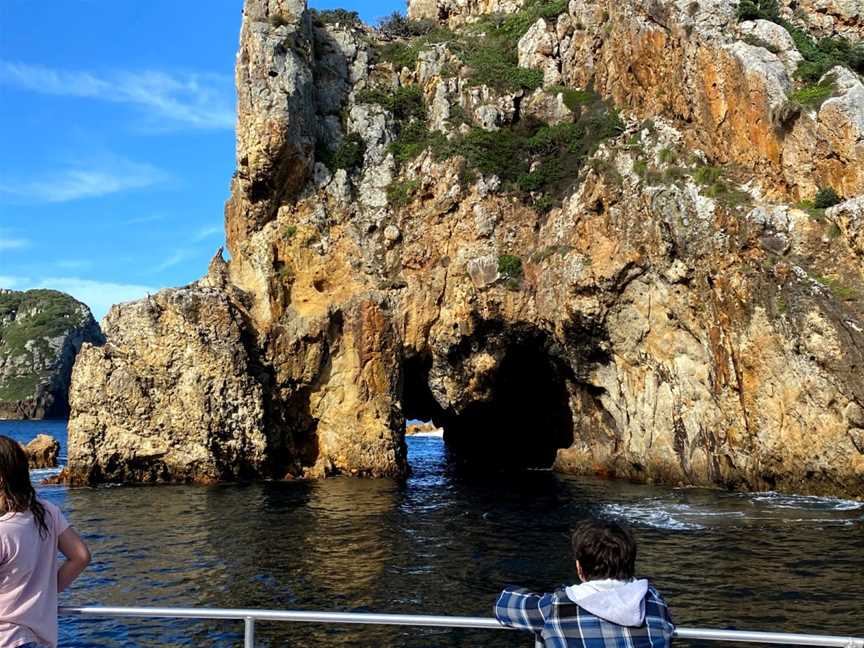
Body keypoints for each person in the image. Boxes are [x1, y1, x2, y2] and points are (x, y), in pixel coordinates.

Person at [494, 519, 674, 648]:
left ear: (580, 569)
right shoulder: (654, 603)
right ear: (630, 564)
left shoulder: (557, 606)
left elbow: (503, 606)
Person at [0, 435, 91, 648]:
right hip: (38, 640)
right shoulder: (47, 511)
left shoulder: (2, 530)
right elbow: (81, 556)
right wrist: (47, 589)